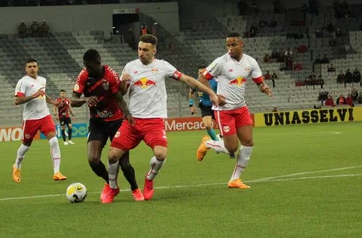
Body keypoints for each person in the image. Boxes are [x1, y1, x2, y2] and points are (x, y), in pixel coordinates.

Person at [104, 34, 223, 203]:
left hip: (154, 120)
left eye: (145, 50)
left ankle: (150, 178)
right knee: (112, 155)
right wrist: (123, 83)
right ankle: (112, 188)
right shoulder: (130, 67)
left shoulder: (163, 66)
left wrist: (211, 93)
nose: (141, 53)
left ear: (154, 51)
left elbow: (188, 80)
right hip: (132, 120)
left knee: (161, 154)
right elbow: (122, 93)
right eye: (139, 49)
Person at [199, 32, 272, 189]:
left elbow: (259, 81)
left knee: (248, 142)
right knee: (231, 148)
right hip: (223, 110)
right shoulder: (221, 62)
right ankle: (209, 143)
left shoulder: (250, 62)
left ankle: (235, 179)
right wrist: (214, 95)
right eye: (228, 45)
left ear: (241, 45)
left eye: (233, 45)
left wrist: (263, 87)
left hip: (241, 108)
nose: (230, 48)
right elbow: (202, 78)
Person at [72, 49, 143, 202]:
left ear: (98, 63)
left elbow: (119, 99)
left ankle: (135, 188)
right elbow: (73, 101)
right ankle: (111, 185)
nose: (87, 69)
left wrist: (128, 114)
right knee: (93, 159)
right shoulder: (84, 75)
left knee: (124, 163)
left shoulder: (110, 76)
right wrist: (86, 99)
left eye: (89, 66)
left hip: (116, 122)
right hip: (97, 122)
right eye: (85, 66)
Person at [12, 58, 65, 183]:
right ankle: (16, 165)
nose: (32, 68)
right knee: (26, 146)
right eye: (29, 66)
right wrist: (33, 96)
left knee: (54, 141)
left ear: (38, 67)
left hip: (44, 116)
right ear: (26, 69)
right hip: (30, 118)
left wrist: (53, 102)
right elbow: (17, 100)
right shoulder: (22, 82)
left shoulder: (42, 80)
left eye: (34, 66)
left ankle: (56, 172)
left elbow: (43, 95)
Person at [190, 66, 234, 161]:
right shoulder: (196, 82)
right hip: (205, 106)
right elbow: (191, 92)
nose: (200, 74)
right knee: (207, 125)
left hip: (216, 105)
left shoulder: (215, 81)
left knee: (225, 129)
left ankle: (214, 142)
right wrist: (191, 105)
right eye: (199, 73)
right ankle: (217, 143)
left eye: (202, 73)